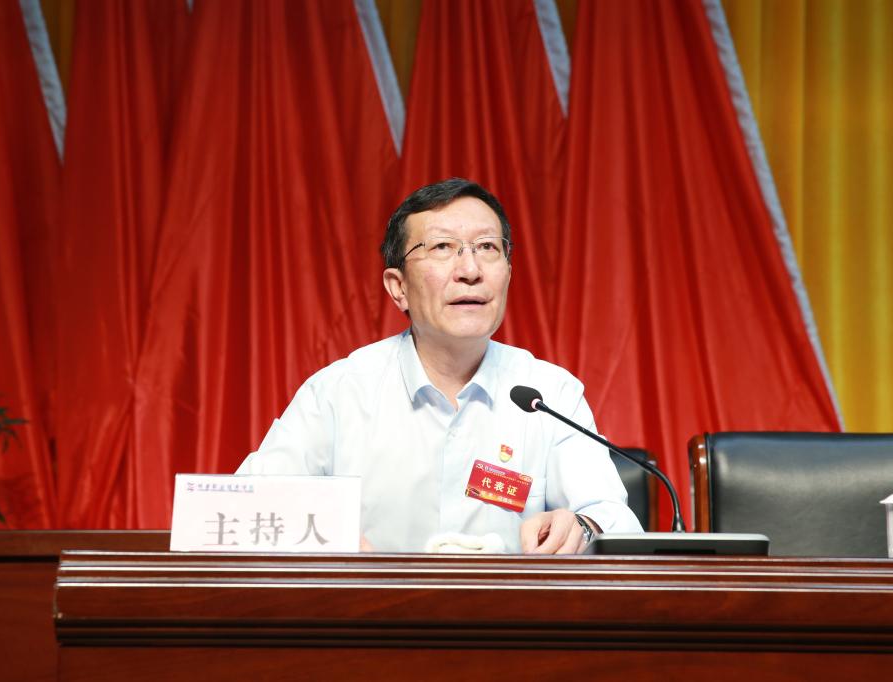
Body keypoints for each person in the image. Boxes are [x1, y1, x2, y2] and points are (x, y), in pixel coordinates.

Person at [236, 178, 642, 553]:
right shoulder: (339, 392)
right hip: (374, 607)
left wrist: (582, 527)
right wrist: (325, 538)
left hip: (511, 608)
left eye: (487, 247)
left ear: (508, 273)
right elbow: (244, 510)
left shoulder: (548, 394)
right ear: (398, 288)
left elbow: (614, 518)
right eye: (443, 247)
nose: (470, 271)